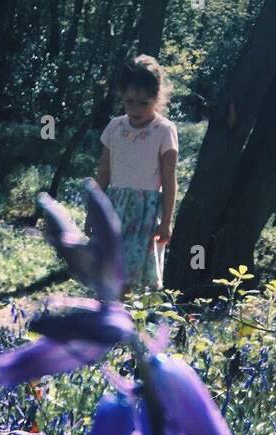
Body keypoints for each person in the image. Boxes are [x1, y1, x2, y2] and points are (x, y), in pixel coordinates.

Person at [94, 54, 178, 291]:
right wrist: (93, 213)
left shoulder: (164, 131)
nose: (136, 108)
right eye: (130, 101)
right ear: (122, 96)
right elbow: (103, 174)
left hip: (145, 214)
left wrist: (167, 222)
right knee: (108, 273)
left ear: (157, 97)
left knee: (132, 278)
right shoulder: (115, 127)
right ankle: (108, 320)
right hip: (113, 209)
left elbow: (169, 181)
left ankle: (129, 321)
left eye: (144, 103)